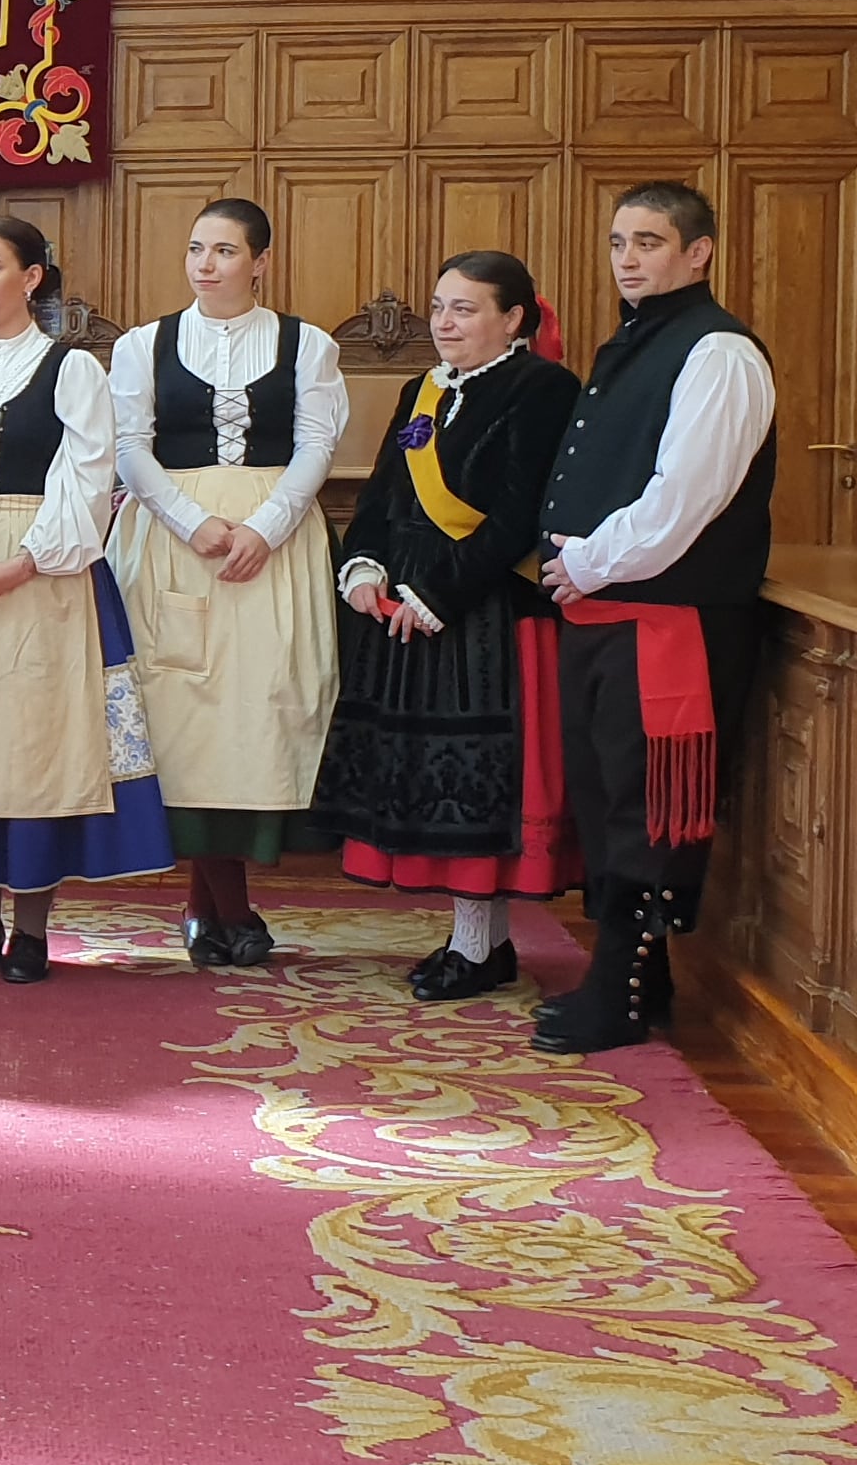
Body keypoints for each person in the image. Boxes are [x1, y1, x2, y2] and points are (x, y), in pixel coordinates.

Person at [0, 217, 171, 983]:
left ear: (33, 278)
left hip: (40, 578)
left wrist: (23, 564)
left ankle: (32, 932)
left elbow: (85, 481)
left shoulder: (71, 371)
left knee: (33, 748)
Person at [534, 180, 779, 1054]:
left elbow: (685, 501)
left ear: (698, 250)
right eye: (618, 243)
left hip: (667, 619)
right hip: (605, 611)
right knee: (604, 802)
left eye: (648, 242)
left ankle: (620, 991)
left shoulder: (719, 353)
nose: (628, 259)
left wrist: (586, 561)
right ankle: (643, 977)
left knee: (649, 811)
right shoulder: (634, 346)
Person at [309, 251, 585, 998]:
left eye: (463, 308)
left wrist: (441, 592)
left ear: (513, 319)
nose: (443, 322)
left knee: (479, 787)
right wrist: (363, 564)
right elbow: (386, 492)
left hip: (485, 612)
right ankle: (480, 947)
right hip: (408, 606)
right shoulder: (422, 389)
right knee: (432, 786)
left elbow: (524, 512)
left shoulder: (544, 389)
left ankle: (476, 947)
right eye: (439, 307)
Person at [108, 198, 348, 967]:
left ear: (261, 261)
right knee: (183, 715)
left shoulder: (306, 344)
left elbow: (316, 447)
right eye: (195, 250)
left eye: (224, 251)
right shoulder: (144, 345)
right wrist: (192, 522)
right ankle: (227, 908)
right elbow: (130, 449)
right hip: (174, 541)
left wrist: (264, 528)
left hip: (270, 545)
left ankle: (209, 905)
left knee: (257, 712)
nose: (205, 265)